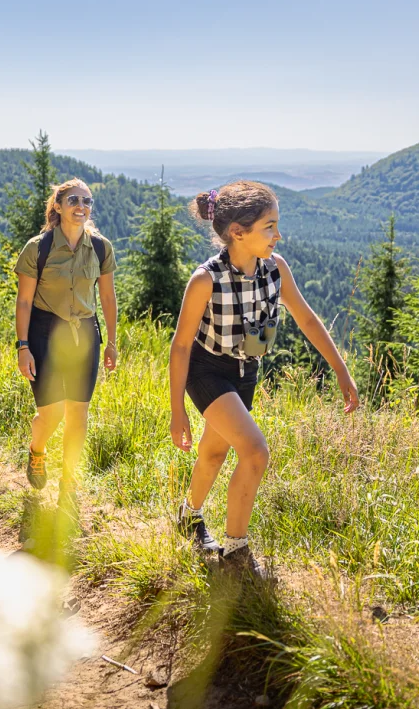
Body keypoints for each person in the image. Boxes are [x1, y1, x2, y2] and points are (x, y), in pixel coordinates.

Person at [169, 181, 359, 576]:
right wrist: (177, 412)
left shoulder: (276, 269)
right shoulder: (206, 279)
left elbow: (306, 318)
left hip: (246, 373)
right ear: (238, 232)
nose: (278, 235)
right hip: (207, 370)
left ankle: (188, 517)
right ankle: (236, 553)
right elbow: (181, 347)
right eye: (269, 227)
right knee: (255, 451)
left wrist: (340, 369)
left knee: (215, 452)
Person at [14, 178, 117, 502]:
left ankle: (69, 484)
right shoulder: (38, 248)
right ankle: (37, 449)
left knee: (78, 412)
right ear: (57, 206)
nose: (81, 207)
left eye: (87, 202)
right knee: (52, 413)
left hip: (84, 333)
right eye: (74, 200)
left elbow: (108, 297)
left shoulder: (100, 247)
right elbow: (24, 301)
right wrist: (23, 346)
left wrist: (112, 342)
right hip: (44, 332)